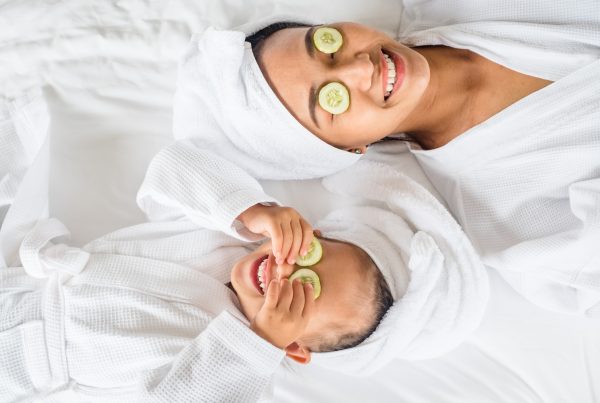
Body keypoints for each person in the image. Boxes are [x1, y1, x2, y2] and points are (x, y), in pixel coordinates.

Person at [1, 90, 487, 402]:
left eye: (301, 295)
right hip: (21, 270)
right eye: (308, 257)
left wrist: (256, 345)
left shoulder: (231, 364)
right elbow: (171, 169)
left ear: (292, 347)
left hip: (21, 365)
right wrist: (247, 208)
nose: (283, 273)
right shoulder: (224, 236)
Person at [167, 1, 600, 315]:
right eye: (332, 102)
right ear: (348, 150)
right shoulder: (507, 217)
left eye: (327, 43)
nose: (361, 68)